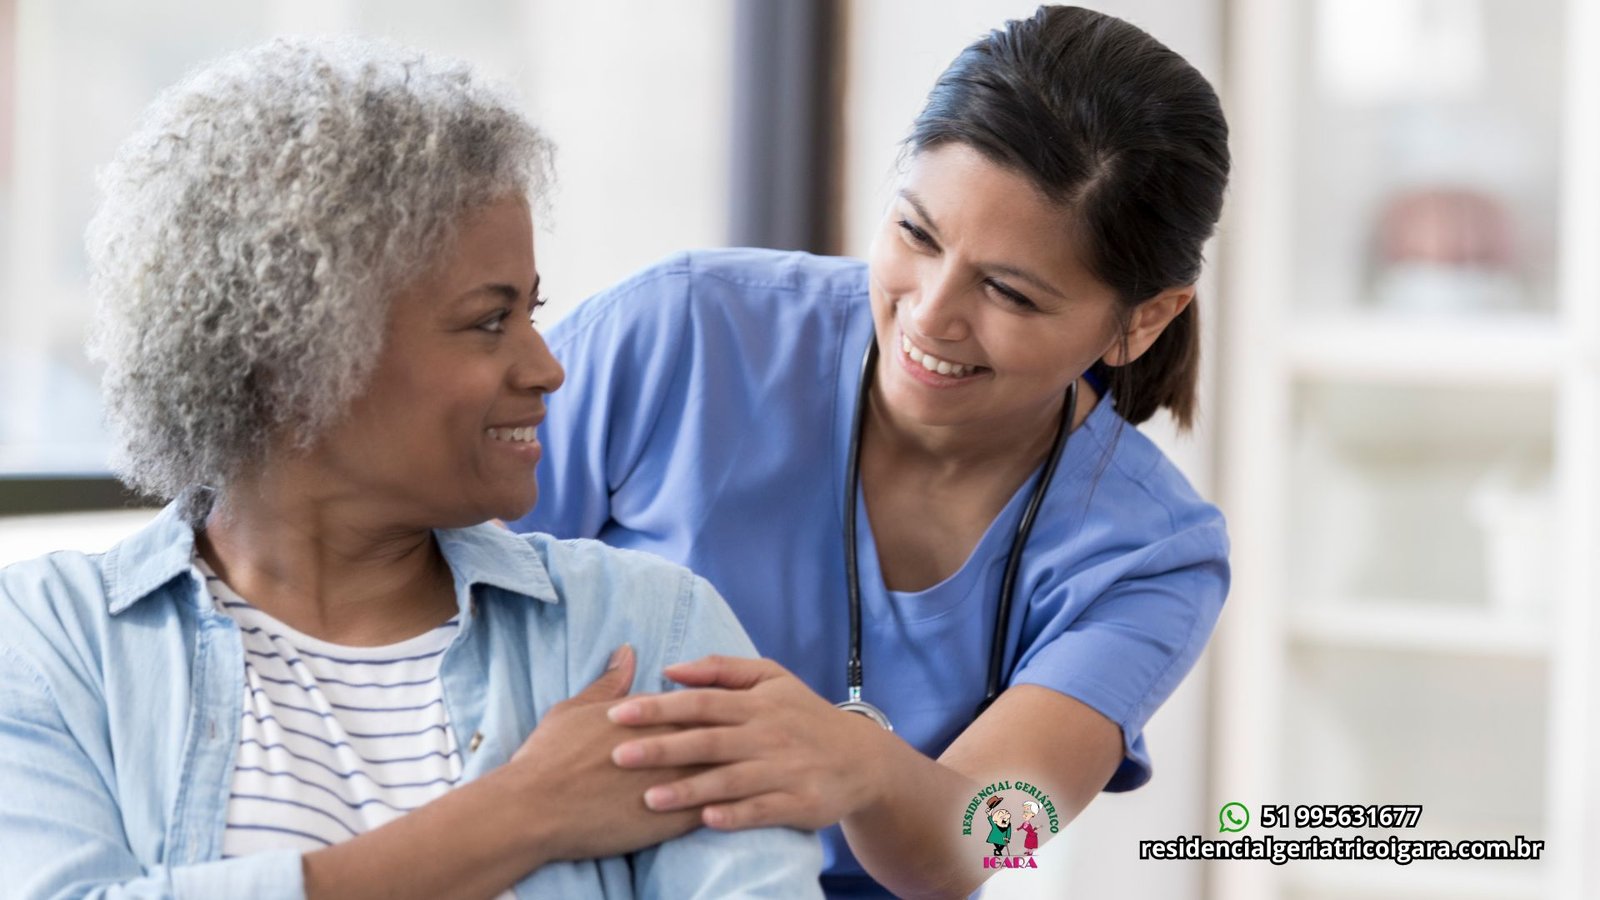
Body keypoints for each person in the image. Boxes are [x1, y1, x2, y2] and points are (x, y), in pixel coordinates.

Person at [0, 36, 821, 899]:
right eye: (488, 321)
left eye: (531, 311)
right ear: (299, 357)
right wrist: (519, 813)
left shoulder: (649, 629)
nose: (547, 367)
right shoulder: (55, 643)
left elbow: (953, 847)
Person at [512, 5, 1231, 897]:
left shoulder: (1152, 557)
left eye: (1008, 292)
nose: (928, 314)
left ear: (1146, 318)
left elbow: (979, 843)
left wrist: (860, 763)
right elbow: (429, 587)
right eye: (915, 234)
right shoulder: (687, 332)